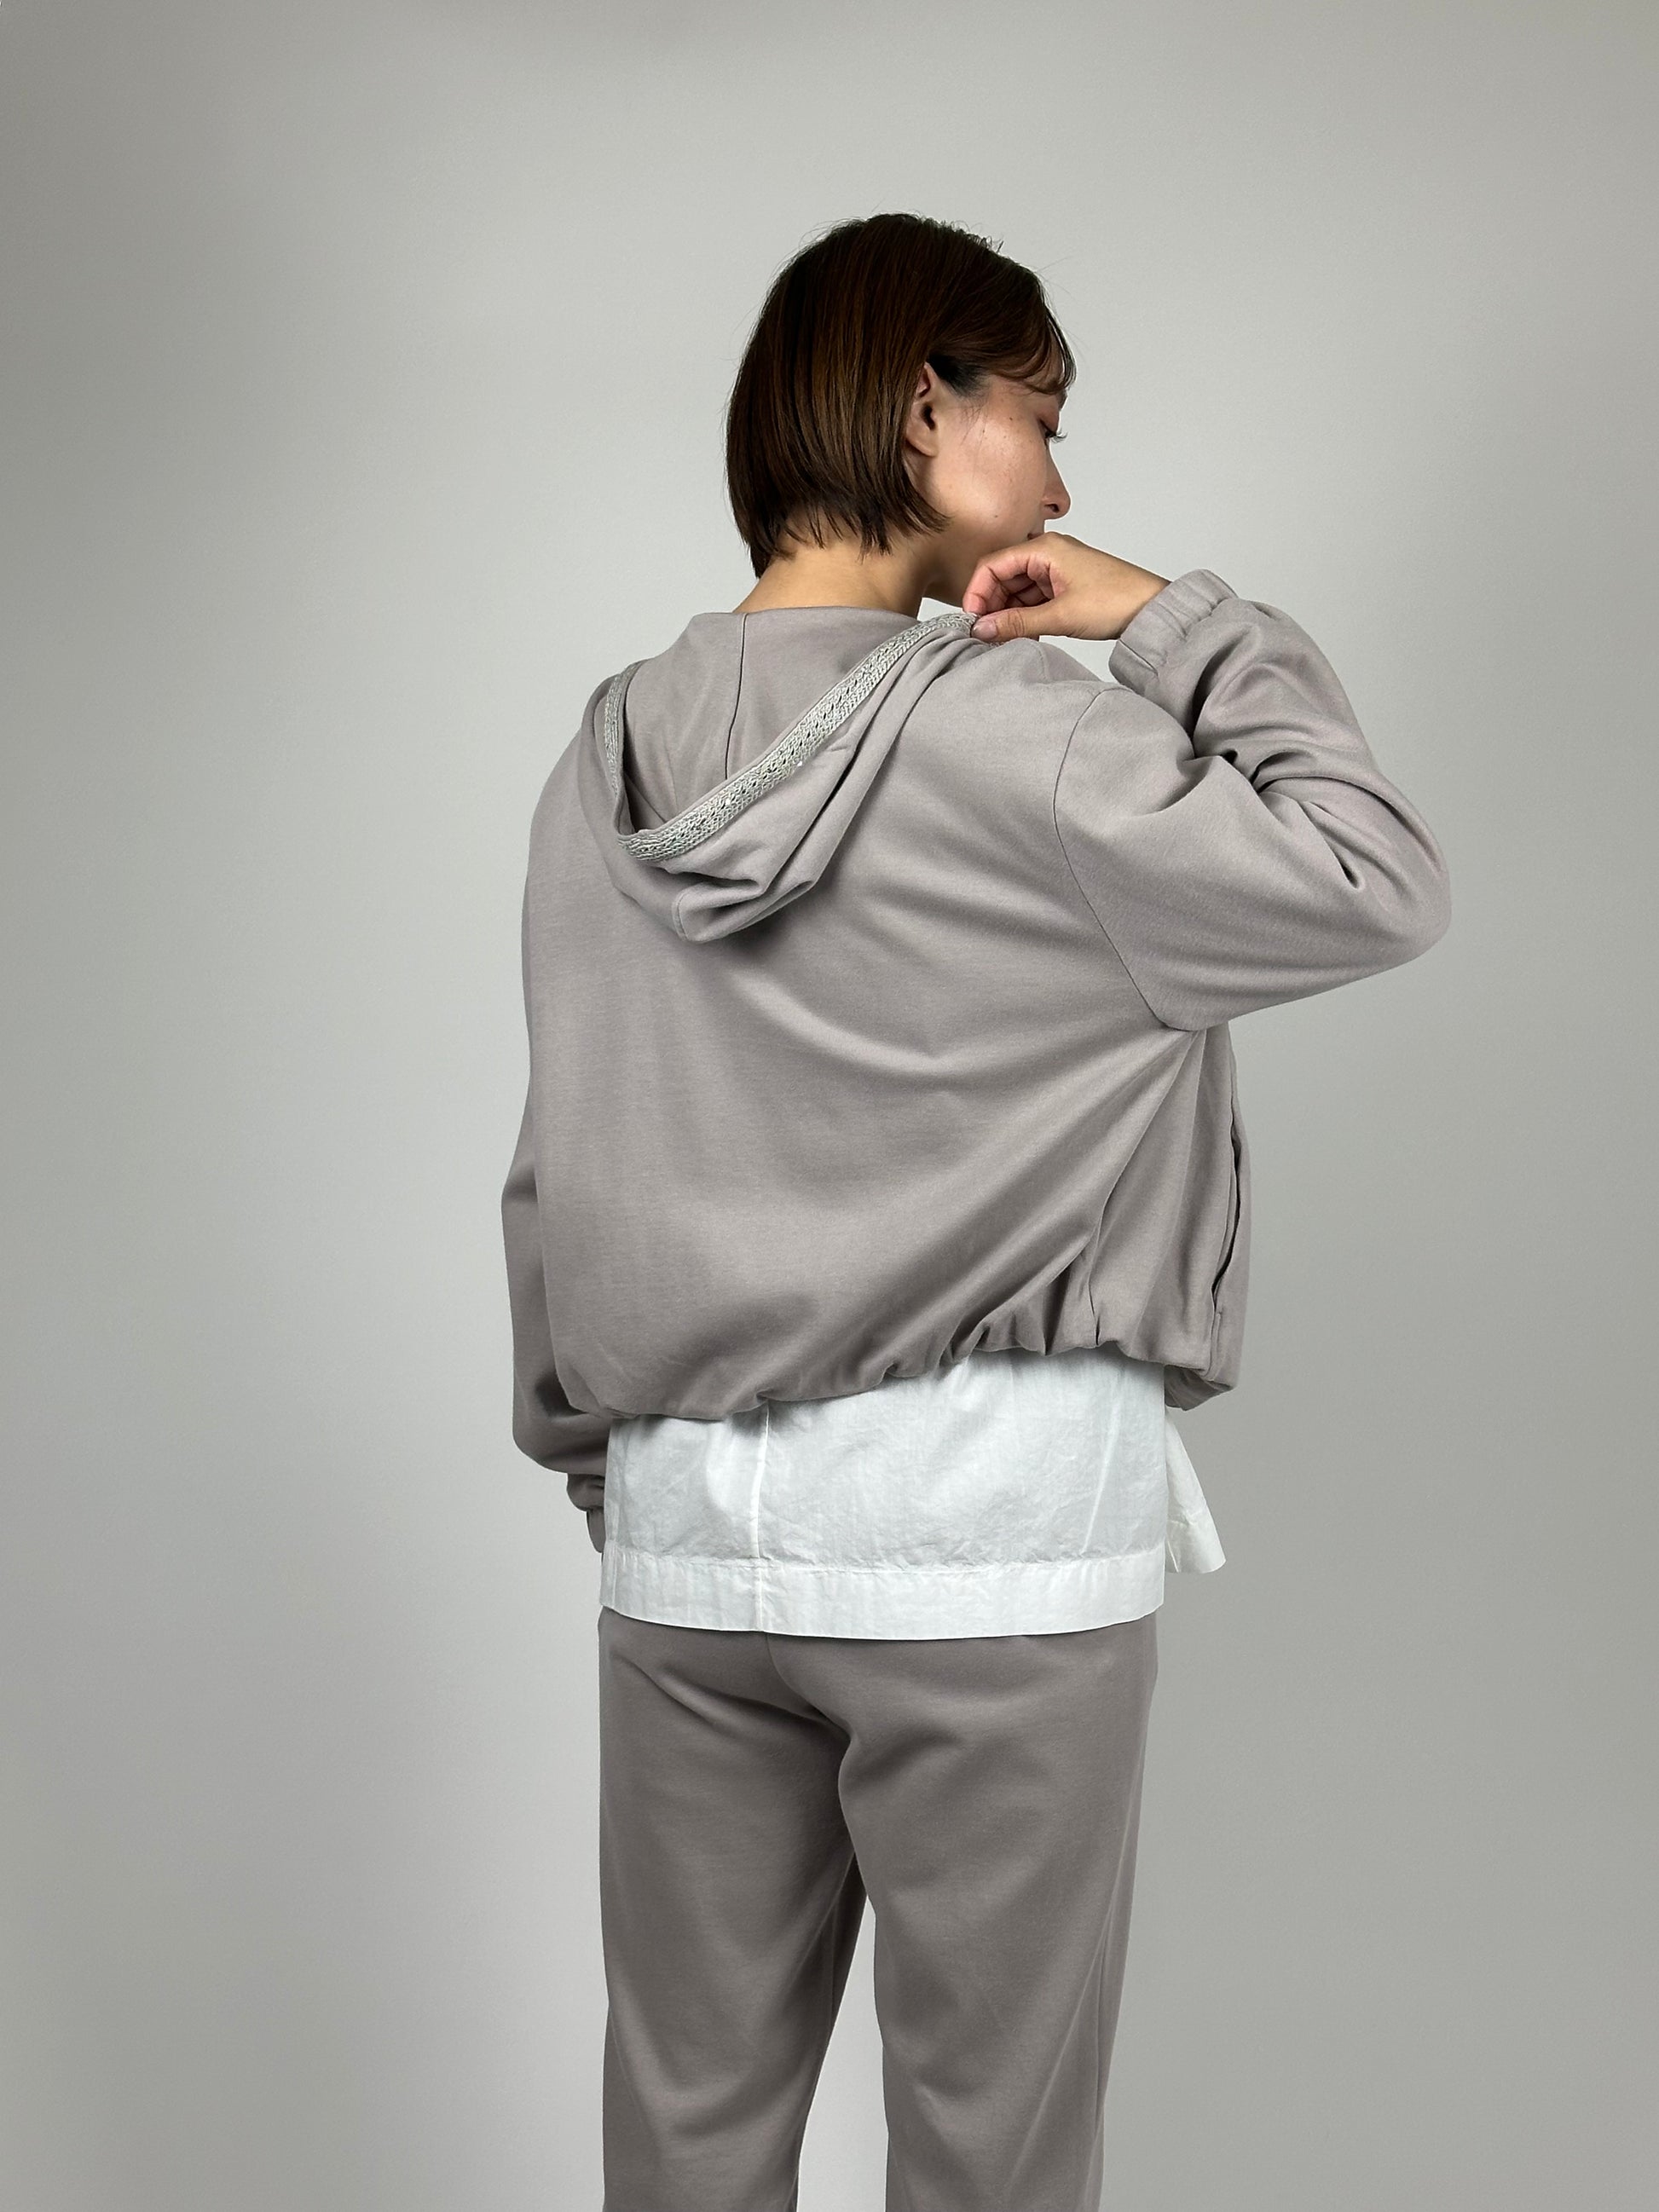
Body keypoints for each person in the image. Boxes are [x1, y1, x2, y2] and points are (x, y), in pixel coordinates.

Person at [500, 211, 1451, 2212]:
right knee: (992, 2169)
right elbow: (1372, 878)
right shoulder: (1034, 739)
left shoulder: (600, 764)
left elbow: (561, 1167)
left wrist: (624, 1474)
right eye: (1043, 416)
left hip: (690, 1539)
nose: (1063, 482)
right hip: (990, 1540)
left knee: (682, 2142)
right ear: (925, 409)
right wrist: (1169, 619)